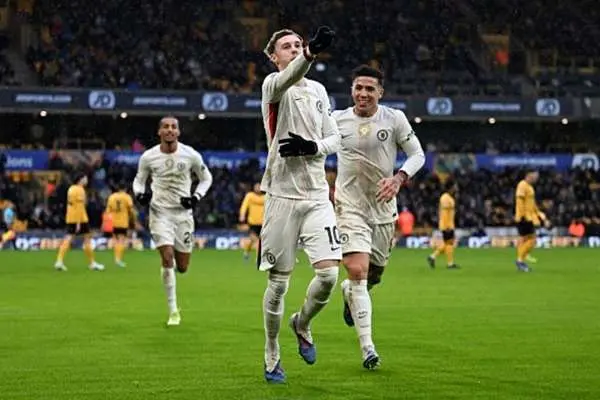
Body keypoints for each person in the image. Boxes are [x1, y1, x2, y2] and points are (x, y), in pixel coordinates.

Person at [258, 26, 339, 383]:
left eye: (297, 45)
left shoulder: (319, 90)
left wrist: (313, 147)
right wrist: (310, 53)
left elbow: (334, 137)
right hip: (281, 197)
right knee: (278, 285)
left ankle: (302, 323)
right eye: (286, 47)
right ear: (274, 57)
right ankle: (271, 352)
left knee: (329, 276)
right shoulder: (273, 86)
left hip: (317, 196)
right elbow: (290, 76)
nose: (293, 49)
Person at [332, 65, 425, 369]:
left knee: (374, 274)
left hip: (383, 208)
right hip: (349, 206)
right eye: (358, 87)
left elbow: (417, 154)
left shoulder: (394, 119)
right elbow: (316, 149)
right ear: (351, 90)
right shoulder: (336, 120)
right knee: (356, 270)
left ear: (380, 93)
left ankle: (350, 293)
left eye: (370, 89)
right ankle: (368, 348)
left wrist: (399, 178)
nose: (363, 93)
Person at [133, 116, 213, 326]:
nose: (170, 130)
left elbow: (206, 178)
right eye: (166, 127)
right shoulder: (148, 157)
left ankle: (172, 271)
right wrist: (140, 194)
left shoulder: (190, 154)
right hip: (160, 214)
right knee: (167, 258)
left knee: (182, 267)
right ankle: (173, 311)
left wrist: (195, 197)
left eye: (173, 127)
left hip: (183, 216)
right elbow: (139, 180)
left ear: (178, 132)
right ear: (159, 132)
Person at [54, 174, 104, 271]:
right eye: (85, 178)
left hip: (70, 217)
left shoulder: (71, 189)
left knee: (68, 238)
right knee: (86, 239)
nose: (86, 180)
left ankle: (59, 261)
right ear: (80, 179)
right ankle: (92, 263)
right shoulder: (80, 190)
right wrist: (78, 222)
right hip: (80, 219)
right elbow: (79, 207)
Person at [514, 170, 548, 272]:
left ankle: (522, 259)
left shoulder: (529, 187)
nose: (536, 178)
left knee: (525, 239)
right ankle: (520, 260)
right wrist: (522, 216)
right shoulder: (522, 185)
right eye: (535, 175)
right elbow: (520, 201)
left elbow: (532, 204)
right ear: (529, 175)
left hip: (528, 217)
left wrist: (539, 215)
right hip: (524, 217)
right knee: (532, 240)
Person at [427, 180, 459, 269]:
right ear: (450, 187)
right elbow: (444, 213)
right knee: (449, 243)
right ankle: (448, 263)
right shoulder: (445, 198)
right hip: (447, 225)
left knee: (448, 243)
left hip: (449, 224)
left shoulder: (449, 197)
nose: (456, 188)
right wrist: (447, 226)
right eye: (454, 186)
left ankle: (433, 257)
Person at [105, 183, 135, 267]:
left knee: (115, 240)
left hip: (113, 222)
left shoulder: (112, 197)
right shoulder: (127, 197)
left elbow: (108, 210)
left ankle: (116, 258)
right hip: (123, 222)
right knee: (121, 240)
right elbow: (131, 210)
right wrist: (133, 219)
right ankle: (118, 259)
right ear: (125, 189)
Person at [239, 182, 265, 261]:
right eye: (256, 186)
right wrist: (242, 215)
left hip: (262, 223)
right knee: (257, 240)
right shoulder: (250, 196)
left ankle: (247, 252)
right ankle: (259, 258)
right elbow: (244, 205)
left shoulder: (265, 197)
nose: (258, 188)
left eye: (259, 187)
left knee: (252, 241)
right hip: (252, 223)